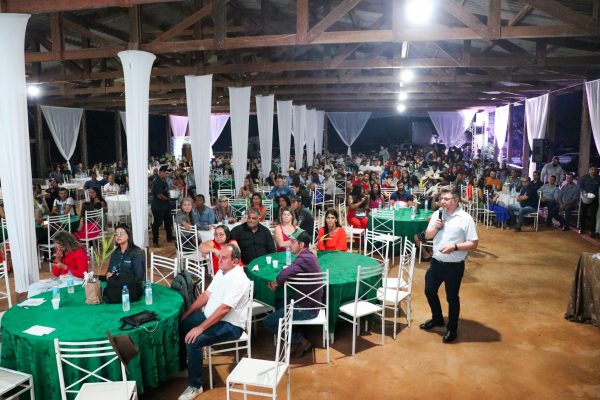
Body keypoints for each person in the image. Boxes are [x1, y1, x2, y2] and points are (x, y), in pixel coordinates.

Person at [178, 243, 250, 399]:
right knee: (182, 325)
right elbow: (206, 294)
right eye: (220, 257)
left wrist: (200, 328)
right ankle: (185, 365)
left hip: (230, 325)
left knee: (194, 340)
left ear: (235, 261)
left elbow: (224, 309)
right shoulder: (222, 271)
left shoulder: (239, 279)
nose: (220, 260)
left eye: (224, 258)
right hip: (210, 316)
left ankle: (195, 386)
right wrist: (188, 313)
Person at [420, 185, 478, 343]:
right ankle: (437, 318)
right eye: (441, 198)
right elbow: (428, 236)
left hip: (454, 265)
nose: (442, 201)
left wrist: (455, 246)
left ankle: (452, 328)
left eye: (446, 199)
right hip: (436, 263)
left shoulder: (465, 218)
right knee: (429, 291)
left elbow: (474, 243)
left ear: (456, 200)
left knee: (452, 298)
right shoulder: (437, 214)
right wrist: (436, 227)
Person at [263, 229, 323, 358]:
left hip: (307, 308)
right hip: (310, 302)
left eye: (293, 242)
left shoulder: (303, 259)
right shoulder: (309, 255)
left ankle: (301, 340)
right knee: (279, 302)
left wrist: (275, 283)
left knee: (267, 322)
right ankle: (296, 330)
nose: (290, 244)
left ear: (301, 245)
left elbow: (284, 274)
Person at [105, 224, 146, 292]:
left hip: (133, 288)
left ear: (128, 235)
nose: (118, 236)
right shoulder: (115, 252)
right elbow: (109, 271)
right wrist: (108, 274)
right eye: (116, 234)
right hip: (116, 285)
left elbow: (139, 277)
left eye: (121, 233)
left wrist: (120, 280)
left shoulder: (136, 253)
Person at [151, 166, 174, 247]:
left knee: (168, 222)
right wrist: (168, 199)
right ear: (161, 172)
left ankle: (169, 237)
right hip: (158, 206)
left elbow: (165, 190)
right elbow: (159, 195)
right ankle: (155, 241)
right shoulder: (157, 181)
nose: (166, 174)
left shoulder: (163, 180)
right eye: (165, 173)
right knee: (157, 224)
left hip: (165, 205)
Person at [578, 164, 600, 238]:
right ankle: (582, 228)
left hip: (594, 199)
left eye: (595, 169)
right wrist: (583, 191)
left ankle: (592, 231)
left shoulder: (598, 178)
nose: (593, 171)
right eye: (592, 169)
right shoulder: (584, 178)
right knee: (583, 213)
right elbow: (579, 186)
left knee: (593, 215)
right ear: (589, 170)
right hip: (585, 198)